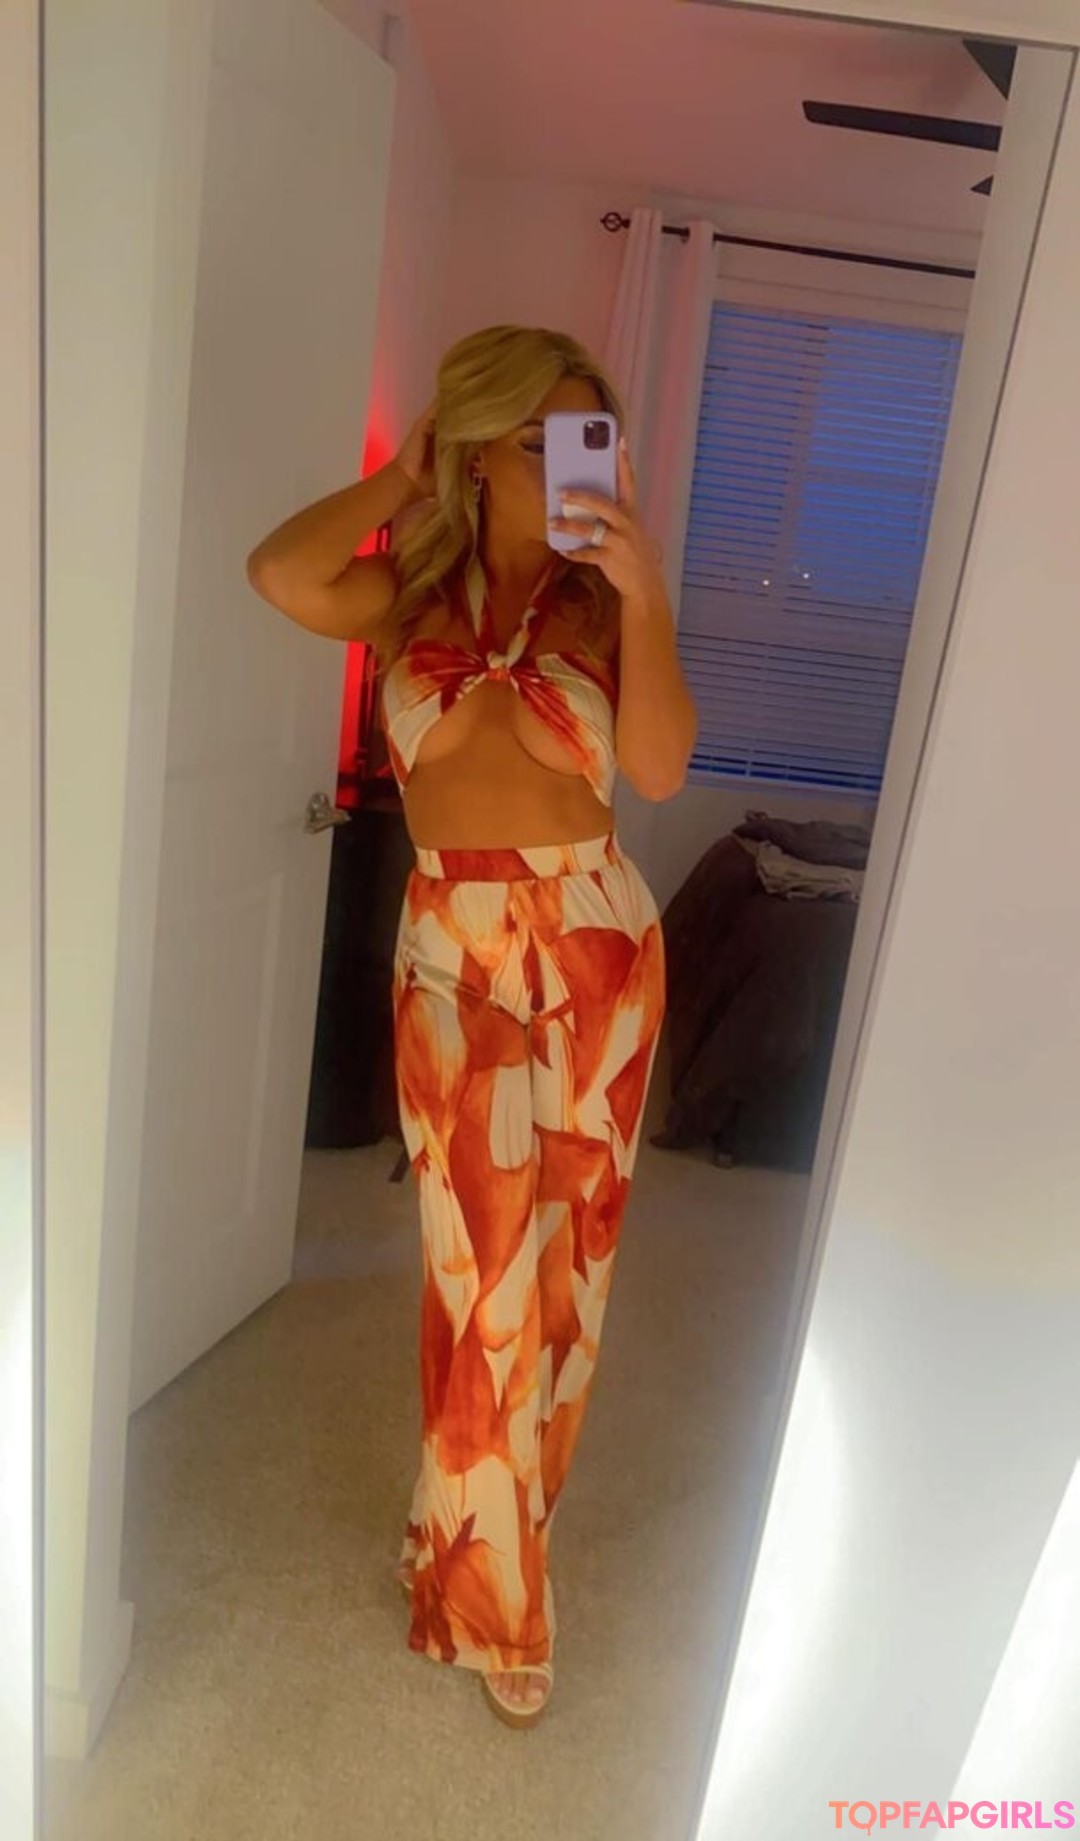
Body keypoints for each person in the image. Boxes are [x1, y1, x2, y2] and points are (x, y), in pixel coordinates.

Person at [246, 324, 697, 1728]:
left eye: (589, 438)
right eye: (540, 438)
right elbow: (279, 572)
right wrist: (408, 471)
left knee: (563, 1286)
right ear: (482, 450)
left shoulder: (603, 605)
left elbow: (659, 769)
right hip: (451, 951)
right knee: (478, 1275)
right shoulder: (408, 598)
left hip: (596, 945)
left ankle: (471, 1527)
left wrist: (645, 593)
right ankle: (502, 1612)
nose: (570, 465)